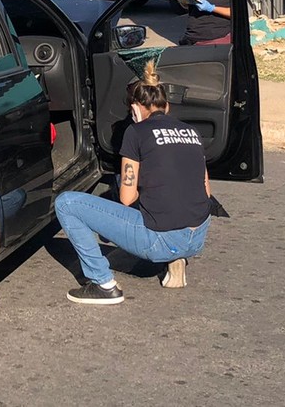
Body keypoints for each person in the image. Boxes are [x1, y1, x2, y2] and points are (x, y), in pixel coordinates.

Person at [55, 61, 212, 304]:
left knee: (66, 203)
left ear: (136, 109)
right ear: (166, 106)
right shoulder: (191, 132)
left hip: (160, 240)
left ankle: (103, 284)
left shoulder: (136, 132)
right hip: (197, 236)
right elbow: (205, 189)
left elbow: (127, 198)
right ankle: (175, 256)